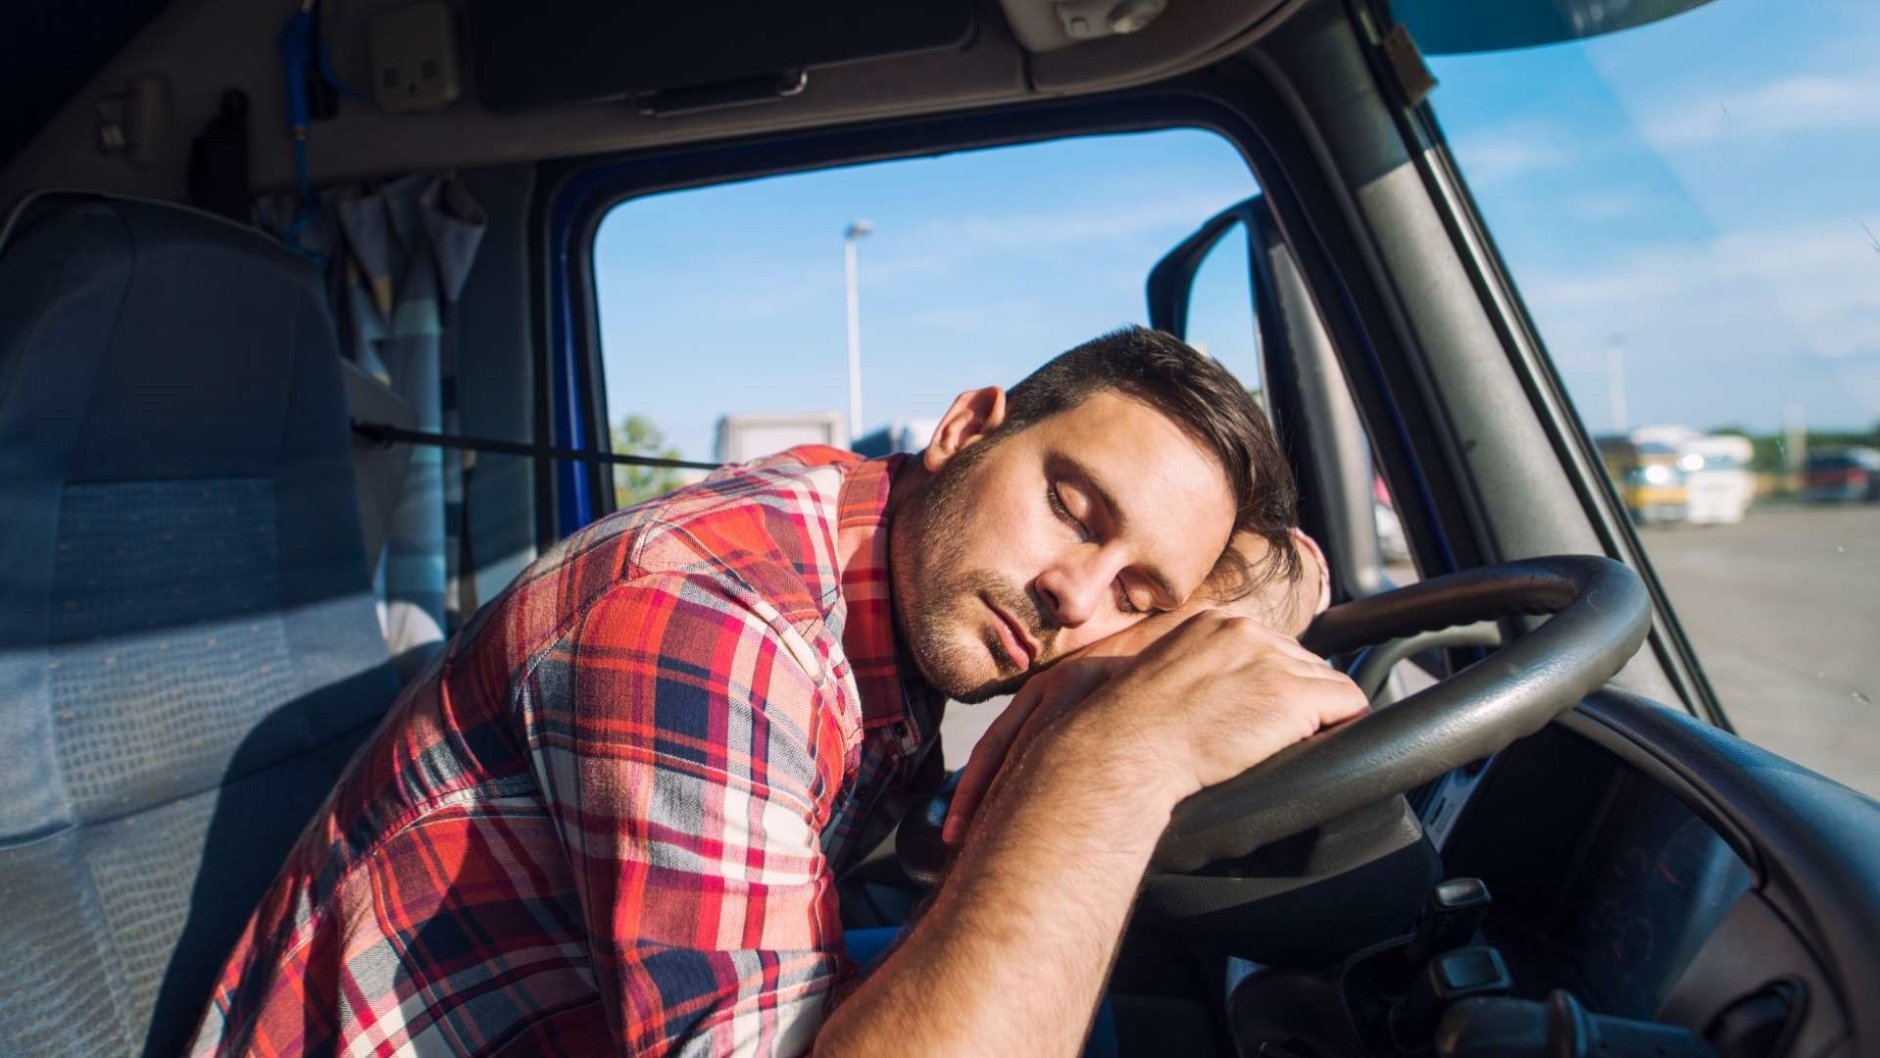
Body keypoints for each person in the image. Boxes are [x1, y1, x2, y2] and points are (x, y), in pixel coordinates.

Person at [186, 327, 1366, 1058]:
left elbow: (1293, 567)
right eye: (1069, 504)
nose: (1074, 596)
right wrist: (1111, 759)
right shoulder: (711, 622)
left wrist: (1206, 614)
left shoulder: (873, 543)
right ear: (965, 425)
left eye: (1138, 592)